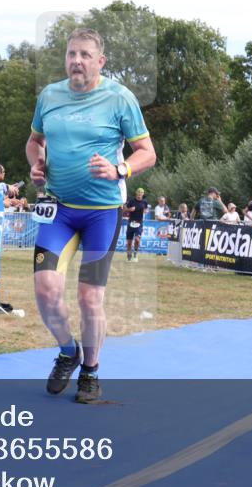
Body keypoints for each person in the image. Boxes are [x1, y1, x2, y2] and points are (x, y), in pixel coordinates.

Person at [26, 28, 155, 404]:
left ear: (100, 61)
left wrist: (120, 171)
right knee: (46, 292)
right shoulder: (49, 96)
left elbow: (146, 152)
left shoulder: (120, 98)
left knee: (89, 299)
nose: (76, 61)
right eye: (71, 54)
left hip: (101, 213)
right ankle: (69, 351)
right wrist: (38, 163)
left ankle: (91, 371)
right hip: (59, 211)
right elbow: (35, 141)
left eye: (85, 55)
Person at [123, 187, 149, 262]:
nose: (139, 195)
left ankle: (135, 253)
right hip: (130, 223)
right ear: (136, 193)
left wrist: (146, 211)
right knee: (129, 242)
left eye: (141, 193)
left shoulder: (144, 202)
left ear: (143, 194)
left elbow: (146, 209)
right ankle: (128, 255)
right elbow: (124, 208)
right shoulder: (131, 201)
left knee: (137, 240)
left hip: (139, 223)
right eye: (138, 193)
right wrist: (129, 209)